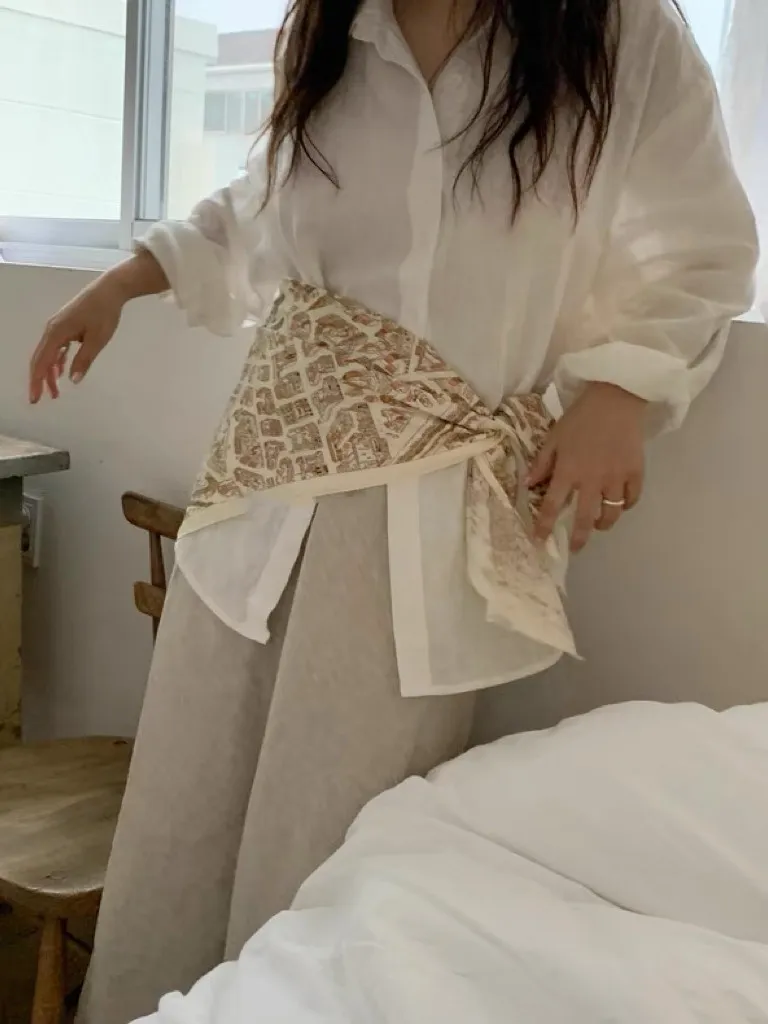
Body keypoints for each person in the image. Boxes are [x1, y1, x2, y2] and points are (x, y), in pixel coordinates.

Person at [29, 0, 757, 1021]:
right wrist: (126, 278)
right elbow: (262, 204)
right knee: (180, 819)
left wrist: (620, 394)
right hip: (258, 485)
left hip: (420, 520)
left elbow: (702, 249)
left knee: (329, 849)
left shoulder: (619, 34)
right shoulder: (327, 26)